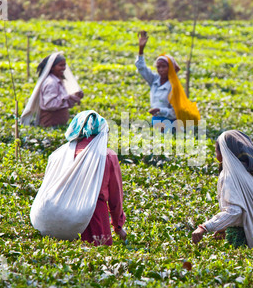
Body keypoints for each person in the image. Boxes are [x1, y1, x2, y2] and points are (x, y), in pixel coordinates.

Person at [191, 130, 253, 258]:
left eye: (216, 151)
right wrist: (224, 226)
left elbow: (235, 211)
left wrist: (205, 227)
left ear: (224, 152)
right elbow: (249, 209)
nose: (215, 154)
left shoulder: (230, 175)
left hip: (246, 240)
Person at [30, 110, 127, 246]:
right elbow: (115, 198)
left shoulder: (59, 154)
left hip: (55, 215)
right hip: (93, 220)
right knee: (97, 260)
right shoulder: (107, 157)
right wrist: (118, 226)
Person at [20, 51, 84, 127]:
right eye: (60, 65)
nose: (63, 68)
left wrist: (75, 97)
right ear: (52, 67)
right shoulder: (51, 83)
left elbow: (63, 103)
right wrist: (68, 97)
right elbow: (49, 104)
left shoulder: (59, 80)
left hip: (58, 124)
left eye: (64, 65)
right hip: (50, 123)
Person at [135, 30, 179, 131]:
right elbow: (141, 68)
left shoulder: (174, 86)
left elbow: (176, 112)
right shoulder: (155, 80)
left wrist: (160, 110)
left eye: (164, 66)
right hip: (157, 122)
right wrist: (141, 49)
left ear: (171, 68)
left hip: (171, 124)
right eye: (158, 67)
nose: (161, 70)